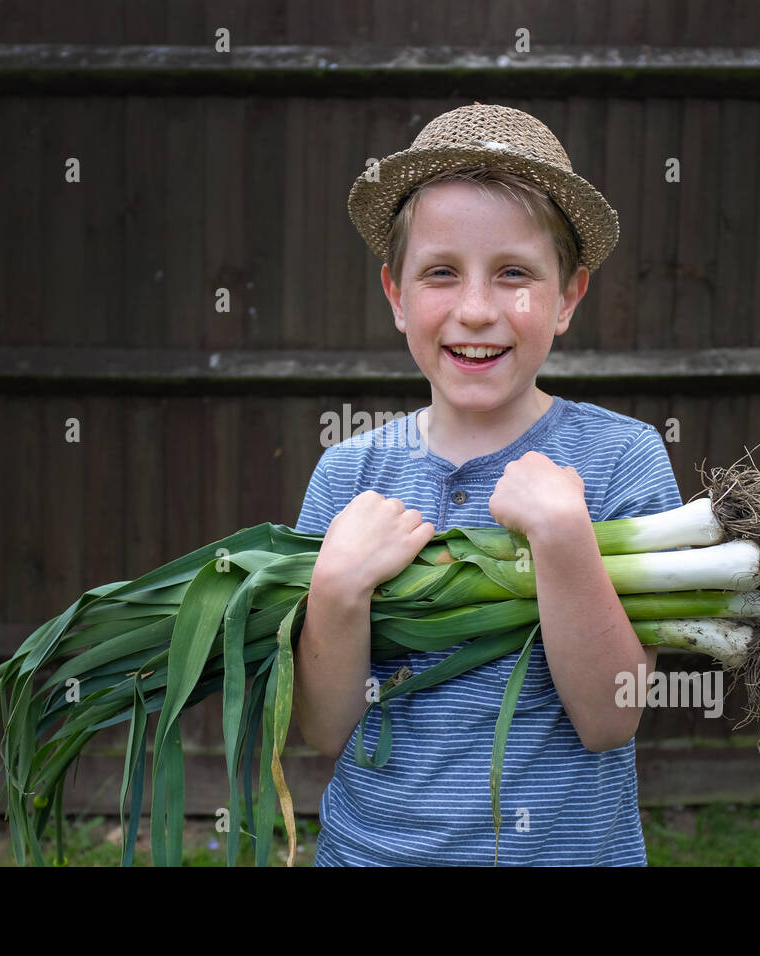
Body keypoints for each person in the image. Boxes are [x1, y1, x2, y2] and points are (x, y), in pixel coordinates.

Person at [292, 103, 682, 865]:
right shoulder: (350, 474)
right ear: (396, 294)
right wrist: (336, 590)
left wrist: (566, 541)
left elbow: (611, 718)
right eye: (441, 273)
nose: (476, 310)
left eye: (514, 275)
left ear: (567, 297)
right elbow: (321, 727)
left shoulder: (621, 459)